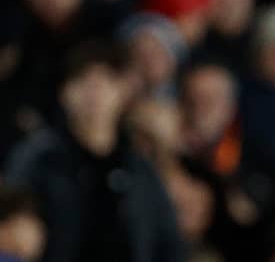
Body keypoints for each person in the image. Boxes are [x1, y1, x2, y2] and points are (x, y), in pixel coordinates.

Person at [3, 38, 184, 262]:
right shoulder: (36, 159)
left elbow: (168, 241)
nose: (94, 92)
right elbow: (10, 229)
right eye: (82, 80)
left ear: (122, 91)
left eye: (105, 81)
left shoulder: (138, 167)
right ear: (64, 93)